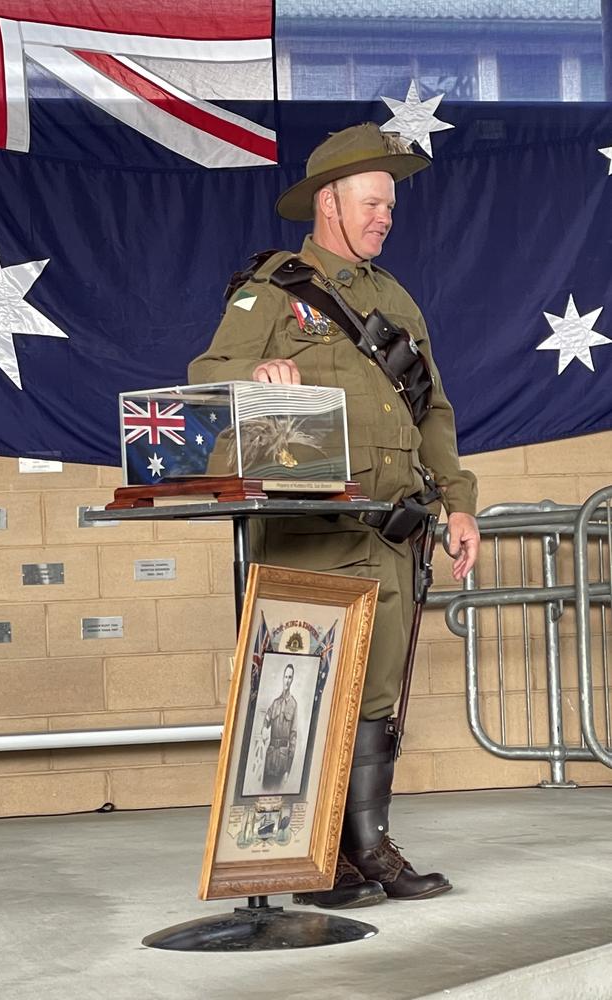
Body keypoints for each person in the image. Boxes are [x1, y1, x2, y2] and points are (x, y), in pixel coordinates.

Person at [189, 122, 480, 909]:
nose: (386, 217)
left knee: (377, 695)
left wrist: (458, 503)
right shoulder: (275, 290)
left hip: (389, 533)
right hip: (311, 537)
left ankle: (368, 851)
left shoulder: (396, 300)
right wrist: (260, 370)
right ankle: (313, 858)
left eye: (390, 205)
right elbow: (208, 373)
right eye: (373, 202)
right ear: (329, 203)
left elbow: (435, 411)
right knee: (306, 692)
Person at [261, 662, 298, 791]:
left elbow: (293, 738)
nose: (287, 680)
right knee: (264, 792)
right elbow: (266, 719)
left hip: (282, 760)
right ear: (283, 678)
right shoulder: (275, 703)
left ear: (292, 680)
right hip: (270, 757)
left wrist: (288, 770)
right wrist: (265, 728)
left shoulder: (293, 705)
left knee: (277, 796)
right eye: (285, 677)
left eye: (290, 677)